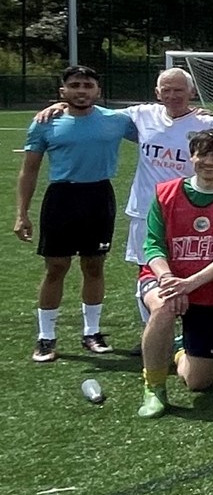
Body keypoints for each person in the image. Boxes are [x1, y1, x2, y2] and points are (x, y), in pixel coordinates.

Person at [31, 68, 213, 333]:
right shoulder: (141, 115)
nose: (172, 95)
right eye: (166, 90)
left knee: (189, 268)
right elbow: (90, 113)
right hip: (146, 210)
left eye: (179, 89)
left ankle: (192, 331)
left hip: (190, 211)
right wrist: (62, 104)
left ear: (191, 92)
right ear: (157, 93)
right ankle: (153, 333)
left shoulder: (207, 124)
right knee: (147, 271)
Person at [133, 129, 213, 417]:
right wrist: (168, 281)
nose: (209, 161)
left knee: (198, 382)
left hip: (207, 287)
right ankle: (154, 387)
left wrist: (188, 285)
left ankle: (179, 350)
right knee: (164, 307)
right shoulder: (166, 192)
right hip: (163, 278)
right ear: (192, 156)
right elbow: (153, 245)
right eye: (203, 153)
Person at [15, 66, 134, 361]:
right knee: (56, 267)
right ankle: (46, 338)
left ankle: (91, 332)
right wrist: (22, 213)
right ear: (63, 91)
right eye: (75, 85)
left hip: (99, 196)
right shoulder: (44, 123)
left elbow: (161, 126)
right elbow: (29, 169)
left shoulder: (116, 120)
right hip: (62, 198)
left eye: (88, 85)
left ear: (98, 91)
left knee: (94, 265)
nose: (82, 90)